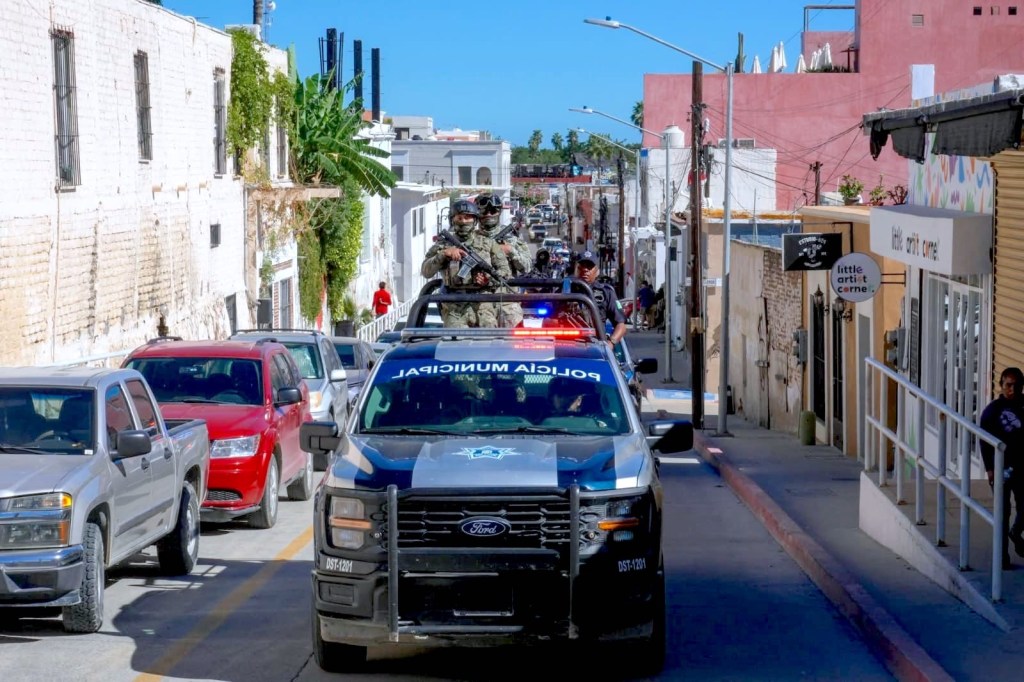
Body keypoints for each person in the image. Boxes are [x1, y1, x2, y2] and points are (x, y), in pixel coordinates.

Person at [421, 199, 511, 328]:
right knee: (456, 341)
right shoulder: (443, 245)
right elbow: (426, 271)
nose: (463, 221)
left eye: (468, 218)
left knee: (490, 336)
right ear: (452, 220)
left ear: (475, 220)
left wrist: (488, 280)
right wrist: (444, 254)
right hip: (454, 305)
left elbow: (505, 272)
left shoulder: (488, 243)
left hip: (483, 303)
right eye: (459, 218)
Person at [980, 366, 1024, 570]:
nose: (1012, 390)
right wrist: (990, 468)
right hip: (1001, 468)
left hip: (1022, 467)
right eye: (1008, 385)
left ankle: (1016, 532)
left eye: (1016, 386)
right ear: (1001, 386)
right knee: (1003, 511)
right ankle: (1001, 556)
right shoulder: (992, 411)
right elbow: (984, 441)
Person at [478, 192, 531, 327]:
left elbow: (527, 267)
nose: (489, 214)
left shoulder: (511, 239)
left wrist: (510, 251)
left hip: (508, 302)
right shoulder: (472, 240)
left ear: (499, 212)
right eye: (484, 210)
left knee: (513, 344)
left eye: (493, 210)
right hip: (479, 302)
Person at [574, 250, 627, 347]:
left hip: (596, 346)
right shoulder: (565, 291)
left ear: (597, 271)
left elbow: (621, 325)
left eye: (589, 266)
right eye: (582, 266)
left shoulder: (606, 292)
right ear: (577, 269)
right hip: (566, 347)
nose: (585, 270)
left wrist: (610, 344)